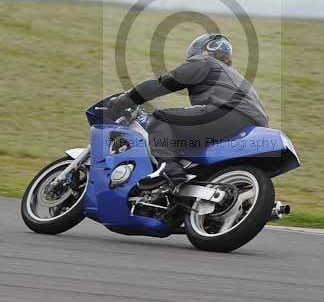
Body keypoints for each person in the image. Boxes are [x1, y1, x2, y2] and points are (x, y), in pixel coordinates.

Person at [107, 33, 269, 189]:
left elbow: (165, 83)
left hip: (226, 114)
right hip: (254, 126)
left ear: (202, 50)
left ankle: (168, 168)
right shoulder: (237, 77)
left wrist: (128, 98)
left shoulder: (204, 61)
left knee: (160, 119)